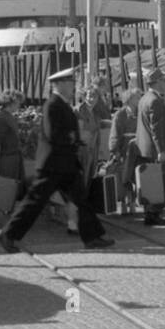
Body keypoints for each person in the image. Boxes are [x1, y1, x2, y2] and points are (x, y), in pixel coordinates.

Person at [0, 68, 114, 253]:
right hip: (53, 165)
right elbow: (53, 134)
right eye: (70, 83)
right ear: (60, 85)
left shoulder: (63, 104)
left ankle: (93, 236)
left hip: (65, 164)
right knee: (34, 202)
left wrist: (76, 139)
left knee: (81, 199)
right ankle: (8, 234)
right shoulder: (53, 104)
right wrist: (76, 137)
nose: (73, 86)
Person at [134, 68, 165, 227]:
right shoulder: (155, 101)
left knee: (150, 183)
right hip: (156, 149)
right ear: (157, 82)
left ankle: (150, 213)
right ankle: (153, 214)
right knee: (159, 183)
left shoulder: (144, 98)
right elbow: (156, 129)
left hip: (145, 148)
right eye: (164, 80)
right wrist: (161, 151)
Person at [68, 84, 104, 234]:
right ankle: (72, 224)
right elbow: (77, 135)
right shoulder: (77, 111)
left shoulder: (95, 114)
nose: (91, 99)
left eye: (94, 96)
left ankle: (81, 220)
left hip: (91, 155)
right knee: (77, 188)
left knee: (86, 187)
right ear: (83, 96)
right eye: (89, 95)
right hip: (80, 154)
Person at [108, 88, 141, 213]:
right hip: (124, 149)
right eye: (137, 97)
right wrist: (114, 150)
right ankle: (123, 203)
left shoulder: (140, 113)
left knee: (135, 175)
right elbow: (114, 134)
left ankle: (133, 201)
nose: (139, 99)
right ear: (130, 99)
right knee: (123, 175)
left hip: (138, 148)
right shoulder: (120, 115)